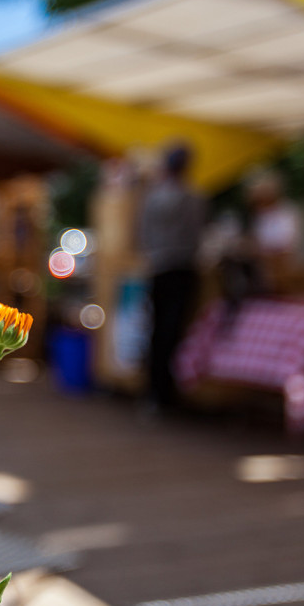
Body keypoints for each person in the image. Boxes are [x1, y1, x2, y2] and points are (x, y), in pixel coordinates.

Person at [137, 143, 206, 410]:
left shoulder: (152, 198)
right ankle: (167, 394)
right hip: (181, 269)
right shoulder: (194, 198)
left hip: (157, 269)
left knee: (156, 331)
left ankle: (153, 393)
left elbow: (141, 234)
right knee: (173, 332)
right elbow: (197, 235)